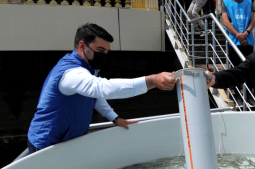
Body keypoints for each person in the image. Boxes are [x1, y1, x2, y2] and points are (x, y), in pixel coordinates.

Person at [27, 24, 176, 153]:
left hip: (68, 141)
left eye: (107, 52)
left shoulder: (89, 66)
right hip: (46, 145)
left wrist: (114, 118)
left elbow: (94, 96)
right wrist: (152, 81)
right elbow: (102, 88)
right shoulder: (71, 73)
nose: (104, 55)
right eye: (100, 49)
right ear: (82, 46)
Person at [221, 0, 255, 103]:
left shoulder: (249, 2)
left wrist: (245, 33)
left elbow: (252, 21)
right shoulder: (225, 3)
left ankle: (249, 95)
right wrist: (238, 35)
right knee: (235, 69)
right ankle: (237, 95)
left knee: (249, 69)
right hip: (233, 42)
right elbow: (226, 22)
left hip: (248, 41)